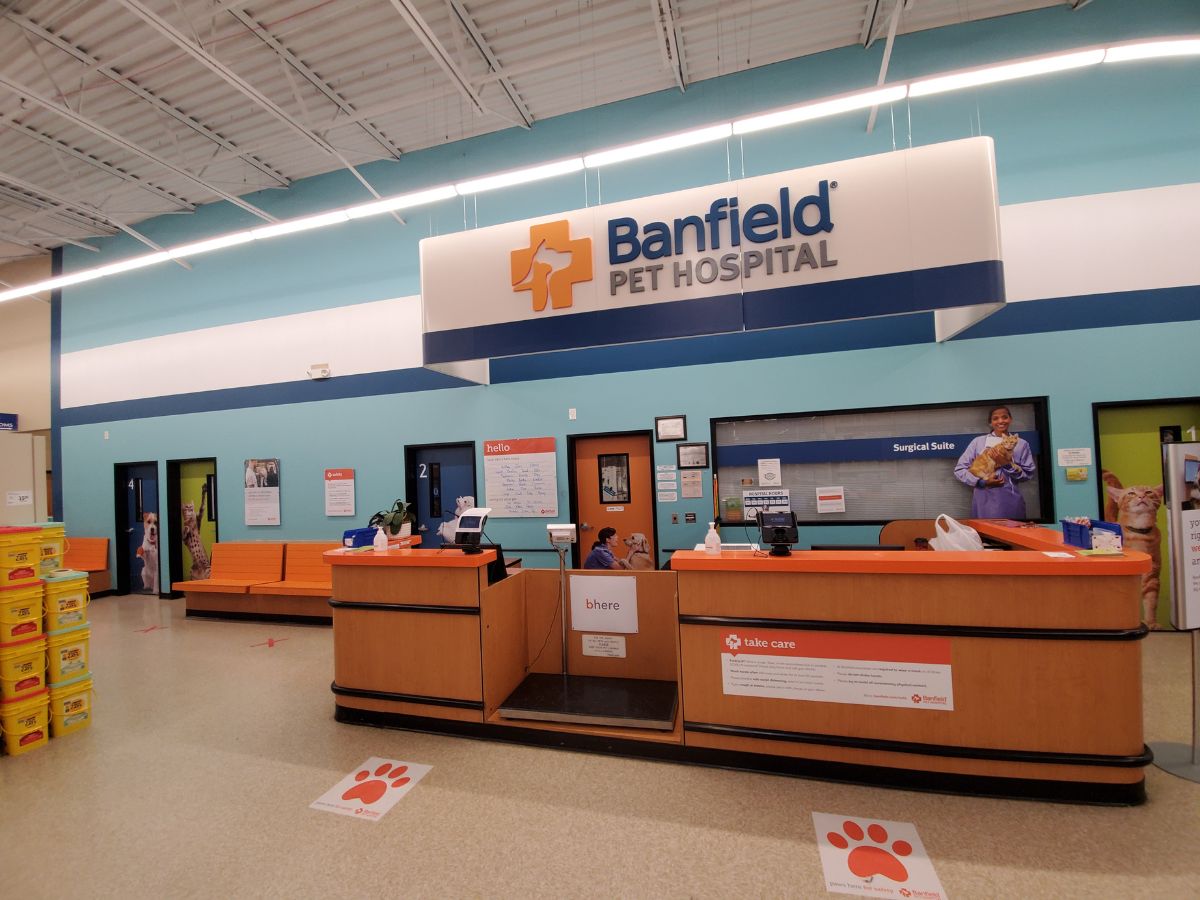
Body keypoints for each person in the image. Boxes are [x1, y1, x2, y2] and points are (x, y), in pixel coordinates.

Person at [953, 405, 1036, 518]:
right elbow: (959, 470)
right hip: (984, 499)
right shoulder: (978, 443)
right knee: (985, 534)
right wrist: (981, 482)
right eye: (995, 418)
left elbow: (1028, 474)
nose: (1000, 421)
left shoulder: (1021, 444)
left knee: (1011, 534)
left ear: (1010, 419)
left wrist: (1006, 465)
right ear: (990, 423)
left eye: (1004, 417)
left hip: (1010, 499)